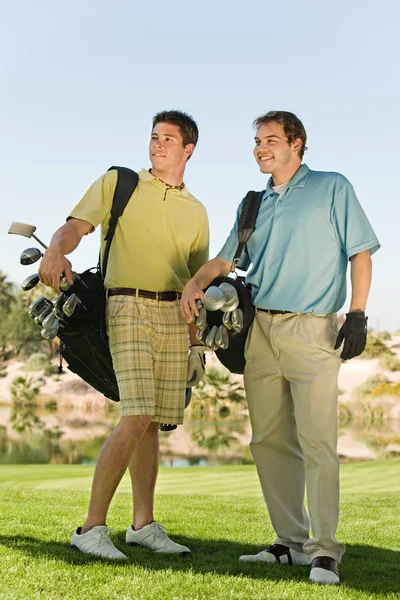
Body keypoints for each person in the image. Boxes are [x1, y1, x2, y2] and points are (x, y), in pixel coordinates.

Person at [180, 110, 380, 585]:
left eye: (271, 139)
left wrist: (357, 314)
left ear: (297, 143)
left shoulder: (333, 187)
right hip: (260, 332)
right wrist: (195, 282)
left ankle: (325, 551)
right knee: (268, 440)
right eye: (256, 141)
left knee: (317, 441)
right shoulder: (253, 203)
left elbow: (361, 252)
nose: (261, 147)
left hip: (312, 329)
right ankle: (288, 542)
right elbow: (228, 257)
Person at [38, 110, 209, 560]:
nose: (157, 144)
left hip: (174, 314)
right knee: (136, 414)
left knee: (153, 420)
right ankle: (90, 528)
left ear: (188, 149)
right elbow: (75, 227)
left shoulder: (197, 211)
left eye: (168, 139)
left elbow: (194, 283)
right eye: (154, 137)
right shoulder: (120, 183)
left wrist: (195, 342)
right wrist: (56, 249)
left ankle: (142, 525)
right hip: (125, 305)